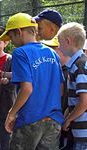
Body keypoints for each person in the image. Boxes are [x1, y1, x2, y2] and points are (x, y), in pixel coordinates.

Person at [0, 12, 64, 149]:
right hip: (54, 120)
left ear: (18, 32)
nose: (12, 42)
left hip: (30, 119)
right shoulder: (52, 53)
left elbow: (27, 88)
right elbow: (60, 88)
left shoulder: (20, 53)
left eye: (11, 37)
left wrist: (12, 113)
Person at [57, 22, 87, 150]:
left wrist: (69, 119)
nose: (59, 46)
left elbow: (84, 102)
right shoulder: (75, 64)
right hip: (77, 131)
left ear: (68, 41)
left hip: (83, 133)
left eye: (60, 42)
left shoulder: (80, 66)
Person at [41, 37, 73, 149]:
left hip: (70, 124)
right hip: (54, 122)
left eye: (52, 49)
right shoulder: (52, 70)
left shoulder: (72, 70)